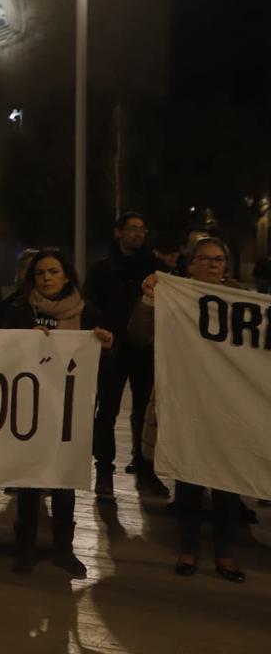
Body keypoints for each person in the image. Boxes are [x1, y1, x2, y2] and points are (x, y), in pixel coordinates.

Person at [134, 237, 247, 583]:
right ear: (190, 264)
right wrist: (149, 300)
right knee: (190, 478)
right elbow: (139, 335)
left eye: (219, 259)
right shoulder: (173, 294)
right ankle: (189, 548)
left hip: (228, 403)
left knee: (228, 481)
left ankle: (225, 553)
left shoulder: (242, 299)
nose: (212, 265)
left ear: (226, 267)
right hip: (187, 400)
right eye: (205, 259)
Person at [0, 247, 113, 577]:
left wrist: (105, 348)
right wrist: (22, 340)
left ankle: (64, 549)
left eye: (53, 272)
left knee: (65, 478)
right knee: (30, 478)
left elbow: (105, 367)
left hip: (71, 409)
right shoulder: (19, 310)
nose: (47, 278)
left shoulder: (88, 312)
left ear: (66, 275)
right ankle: (25, 548)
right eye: (40, 273)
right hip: (30, 407)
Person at [84, 211, 165, 499]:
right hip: (112, 350)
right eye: (132, 229)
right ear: (118, 232)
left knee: (144, 413)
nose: (138, 234)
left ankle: (145, 470)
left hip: (145, 351)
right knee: (107, 412)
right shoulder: (101, 269)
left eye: (142, 229)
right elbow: (89, 307)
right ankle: (104, 472)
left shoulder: (156, 268)